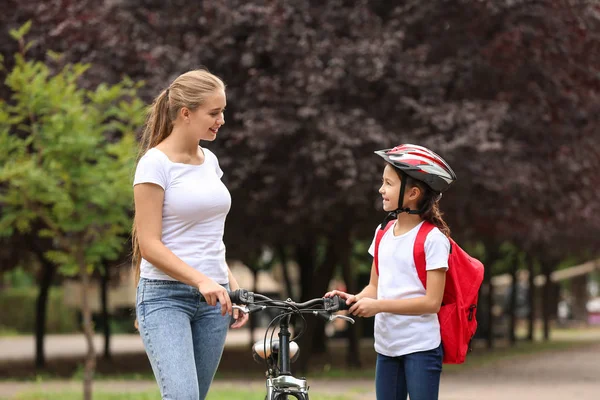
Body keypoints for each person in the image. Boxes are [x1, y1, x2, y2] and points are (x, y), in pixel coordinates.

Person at [131, 69, 249, 400]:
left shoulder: (209, 161)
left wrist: (232, 287)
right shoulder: (154, 164)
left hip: (215, 301)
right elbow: (149, 245)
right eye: (214, 112)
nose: (221, 120)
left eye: (222, 111)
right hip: (164, 297)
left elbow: (208, 237)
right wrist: (201, 280)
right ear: (186, 113)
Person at [325, 144, 457, 400]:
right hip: (387, 347)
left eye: (388, 183)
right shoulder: (383, 232)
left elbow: (432, 303)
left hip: (420, 348)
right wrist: (352, 299)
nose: (381, 189)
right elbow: (374, 287)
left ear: (412, 193)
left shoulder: (433, 239)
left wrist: (379, 306)